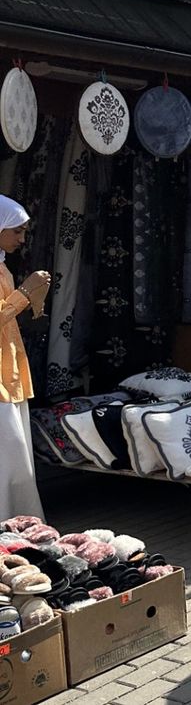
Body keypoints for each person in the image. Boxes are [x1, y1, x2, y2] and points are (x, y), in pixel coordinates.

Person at [0, 196, 48, 520]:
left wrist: (33, 299)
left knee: (15, 459)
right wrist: (24, 293)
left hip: (8, 367)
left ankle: (17, 526)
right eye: (16, 230)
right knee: (8, 453)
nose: (21, 238)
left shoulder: (1, 266)